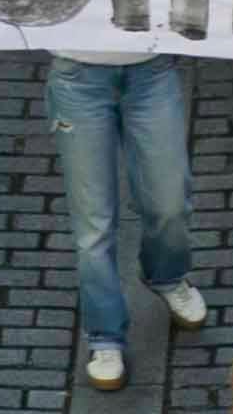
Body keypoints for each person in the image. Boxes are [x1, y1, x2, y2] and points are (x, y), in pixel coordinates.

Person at [46, 44, 203, 394]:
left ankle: (165, 275)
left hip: (151, 67)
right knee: (94, 228)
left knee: (170, 202)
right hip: (78, 75)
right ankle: (105, 337)